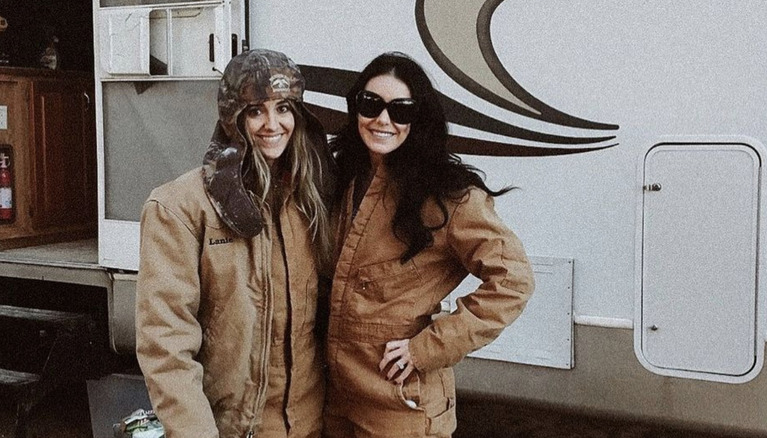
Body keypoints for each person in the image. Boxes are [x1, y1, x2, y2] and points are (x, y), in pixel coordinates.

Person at [323, 52, 536, 438]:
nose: (382, 120)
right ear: (355, 108)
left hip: (400, 406)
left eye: (400, 110)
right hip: (334, 399)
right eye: (371, 105)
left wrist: (426, 349)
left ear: (418, 118)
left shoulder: (449, 197)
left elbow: (513, 282)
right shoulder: (341, 178)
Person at [136, 49, 334, 438]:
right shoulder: (179, 207)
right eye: (255, 110)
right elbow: (166, 346)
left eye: (283, 108)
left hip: (310, 425)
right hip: (231, 429)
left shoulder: (311, 199)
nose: (272, 124)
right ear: (232, 117)